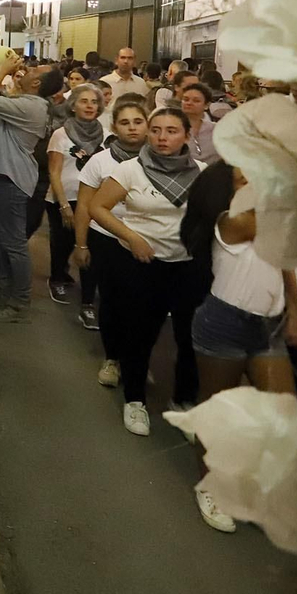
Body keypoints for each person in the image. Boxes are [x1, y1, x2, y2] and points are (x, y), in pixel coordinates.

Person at [177, 164, 297, 534]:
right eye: (243, 178)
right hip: (224, 325)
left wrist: (295, 312)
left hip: (268, 329)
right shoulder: (232, 221)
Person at [86, 108, 207, 437]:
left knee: (189, 338)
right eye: (155, 130)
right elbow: (97, 207)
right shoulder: (131, 169)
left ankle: (183, 401)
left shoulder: (202, 173)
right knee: (139, 334)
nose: (162, 137)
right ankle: (135, 399)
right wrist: (131, 236)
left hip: (188, 266)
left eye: (171, 131)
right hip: (141, 264)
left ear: (187, 135)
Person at [0, 51, 61, 322]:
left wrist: (2, 70)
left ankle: (18, 301)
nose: (27, 70)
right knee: (0, 239)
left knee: (13, 244)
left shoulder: (33, 107)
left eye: (33, 71)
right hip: (2, 177)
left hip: (12, 180)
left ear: (37, 84)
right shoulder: (23, 101)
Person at [72, 95, 150, 358]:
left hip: (148, 239)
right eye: (125, 123)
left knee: (142, 303)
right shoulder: (101, 161)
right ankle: (113, 357)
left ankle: (135, 356)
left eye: (138, 121)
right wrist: (81, 244)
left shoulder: (160, 159)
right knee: (112, 300)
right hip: (106, 238)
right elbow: (84, 205)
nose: (132, 127)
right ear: (115, 127)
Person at [45, 84, 106, 306]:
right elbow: (54, 171)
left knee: (87, 244)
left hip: (93, 199)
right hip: (64, 196)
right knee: (63, 242)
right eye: (84, 101)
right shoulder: (61, 134)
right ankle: (57, 278)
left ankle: (87, 293)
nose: (90, 106)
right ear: (73, 106)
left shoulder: (106, 135)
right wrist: (63, 205)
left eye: (94, 102)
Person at [178, 82, 219, 163]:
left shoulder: (217, 129)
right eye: (186, 99)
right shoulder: (172, 129)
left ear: (206, 105)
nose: (189, 103)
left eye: (196, 101)